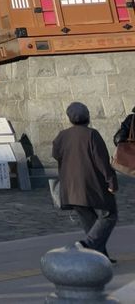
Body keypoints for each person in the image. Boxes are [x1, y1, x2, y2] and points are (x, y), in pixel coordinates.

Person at [53, 101, 118, 264]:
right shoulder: (92, 135)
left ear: (69, 118)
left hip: (70, 186)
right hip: (91, 184)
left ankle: (99, 256)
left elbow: (56, 154)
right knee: (109, 214)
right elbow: (102, 161)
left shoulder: (62, 135)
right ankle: (87, 245)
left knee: (89, 221)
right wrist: (111, 181)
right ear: (87, 116)